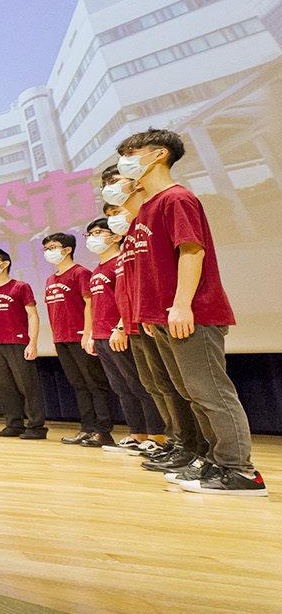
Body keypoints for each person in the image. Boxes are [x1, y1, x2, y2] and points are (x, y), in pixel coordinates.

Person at [116, 129, 263, 495]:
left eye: (132, 153)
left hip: (190, 313)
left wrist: (182, 304)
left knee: (210, 392)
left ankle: (241, 471)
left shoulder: (177, 198)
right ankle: (215, 461)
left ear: (158, 154)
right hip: (161, 318)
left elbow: (191, 251)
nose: (125, 161)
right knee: (191, 392)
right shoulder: (146, 208)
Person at [83, 215, 165, 454]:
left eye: (98, 233)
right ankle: (136, 435)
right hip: (102, 336)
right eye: (90, 234)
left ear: (116, 236)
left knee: (139, 384)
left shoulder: (121, 262)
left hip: (120, 333)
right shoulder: (97, 269)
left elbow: (129, 296)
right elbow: (97, 305)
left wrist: (121, 327)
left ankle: (156, 437)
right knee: (121, 388)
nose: (92, 238)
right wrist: (92, 334)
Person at [42, 232, 114, 447]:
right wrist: (55, 338)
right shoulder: (50, 279)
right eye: (46, 249)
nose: (48, 252)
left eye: (53, 247)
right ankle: (87, 429)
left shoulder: (80, 273)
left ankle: (103, 431)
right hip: (61, 338)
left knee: (95, 384)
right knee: (79, 385)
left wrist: (88, 332)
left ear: (67, 250)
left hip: (80, 336)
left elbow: (90, 303)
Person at [0, 248, 47, 440]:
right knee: (4, 386)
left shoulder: (20, 286)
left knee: (27, 385)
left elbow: (33, 315)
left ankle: (36, 427)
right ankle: (13, 424)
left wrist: (32, 343)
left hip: (17, 342)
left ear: (5, 263)